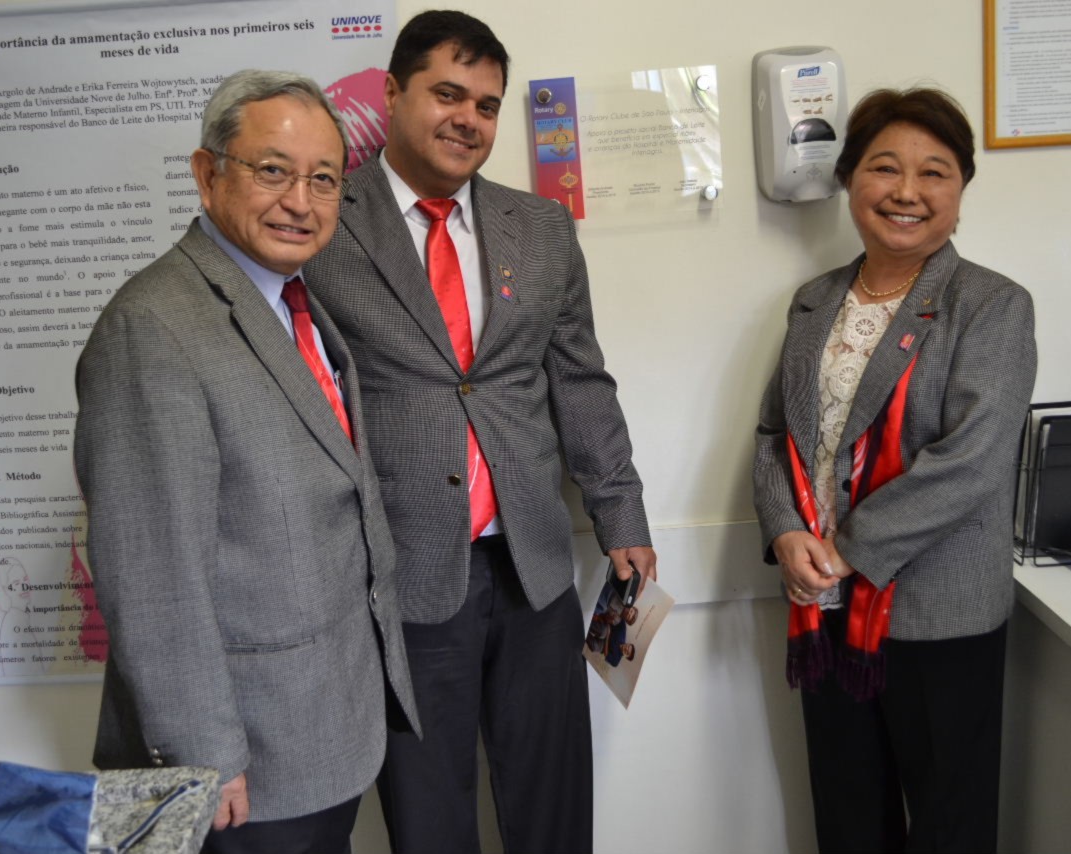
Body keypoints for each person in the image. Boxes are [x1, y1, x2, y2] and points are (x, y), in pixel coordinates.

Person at [305, 11, 656, 854]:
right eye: (448, 94)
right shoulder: (320, 222)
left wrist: (622, 516)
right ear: (394, 94)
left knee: (553, 807)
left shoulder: (540, 228)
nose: (469, 118)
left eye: (487, 106)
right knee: (429, 814)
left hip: (533, 567)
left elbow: (579, 380)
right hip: (403, 570)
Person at [74, 69, 419, 854]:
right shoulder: (151, 329)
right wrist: (203, 756)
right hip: (238, 768)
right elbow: (151, 574)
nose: (300, 201)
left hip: (318, 731)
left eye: (323, 179)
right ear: (208, 175)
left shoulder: (292, 298)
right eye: (272, 170)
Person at [752, 87, 1036, 854]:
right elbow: (776, 434)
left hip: (938, 612)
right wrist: (784, 532)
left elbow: (972, 460)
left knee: (949, 826)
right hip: (821, 602)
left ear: (960, 190)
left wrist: (847, 548)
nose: (906, 191)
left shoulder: (992, 306)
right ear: (850, 180)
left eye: (934, 172)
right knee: (848, 816)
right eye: (884, 168)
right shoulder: (814, 302)